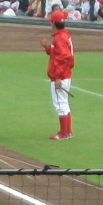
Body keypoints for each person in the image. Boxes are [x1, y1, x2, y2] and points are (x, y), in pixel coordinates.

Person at [39, 10, 74, 140]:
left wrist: (58, 76)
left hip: (60, 76)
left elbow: (62, 58)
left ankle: (64, 133)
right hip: (66, 75)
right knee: (64, 103)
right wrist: (47, 47)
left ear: (54, 23)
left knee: (60, 104)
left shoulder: (60, 38)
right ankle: (68, 132)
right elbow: (57, 54)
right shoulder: (63, 35)